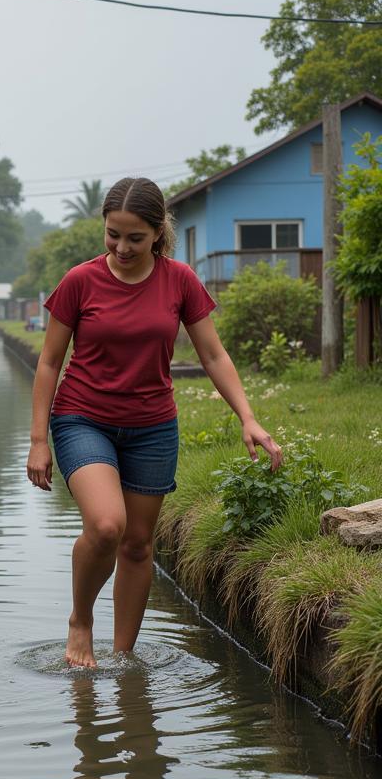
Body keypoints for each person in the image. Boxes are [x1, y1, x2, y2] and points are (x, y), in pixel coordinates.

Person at [25, 177, 283, 669]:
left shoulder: (179, 280)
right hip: (83, 418)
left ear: (157, 232)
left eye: (134, 238)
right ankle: (81, 620)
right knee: (106, 526)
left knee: (139, 545)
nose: (121, 247)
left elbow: (212, 353)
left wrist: (248, 417)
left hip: (152, 426)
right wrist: (39, 439)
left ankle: (123, 663)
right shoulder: (80, 280)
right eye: (112, 235)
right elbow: (48, 363)